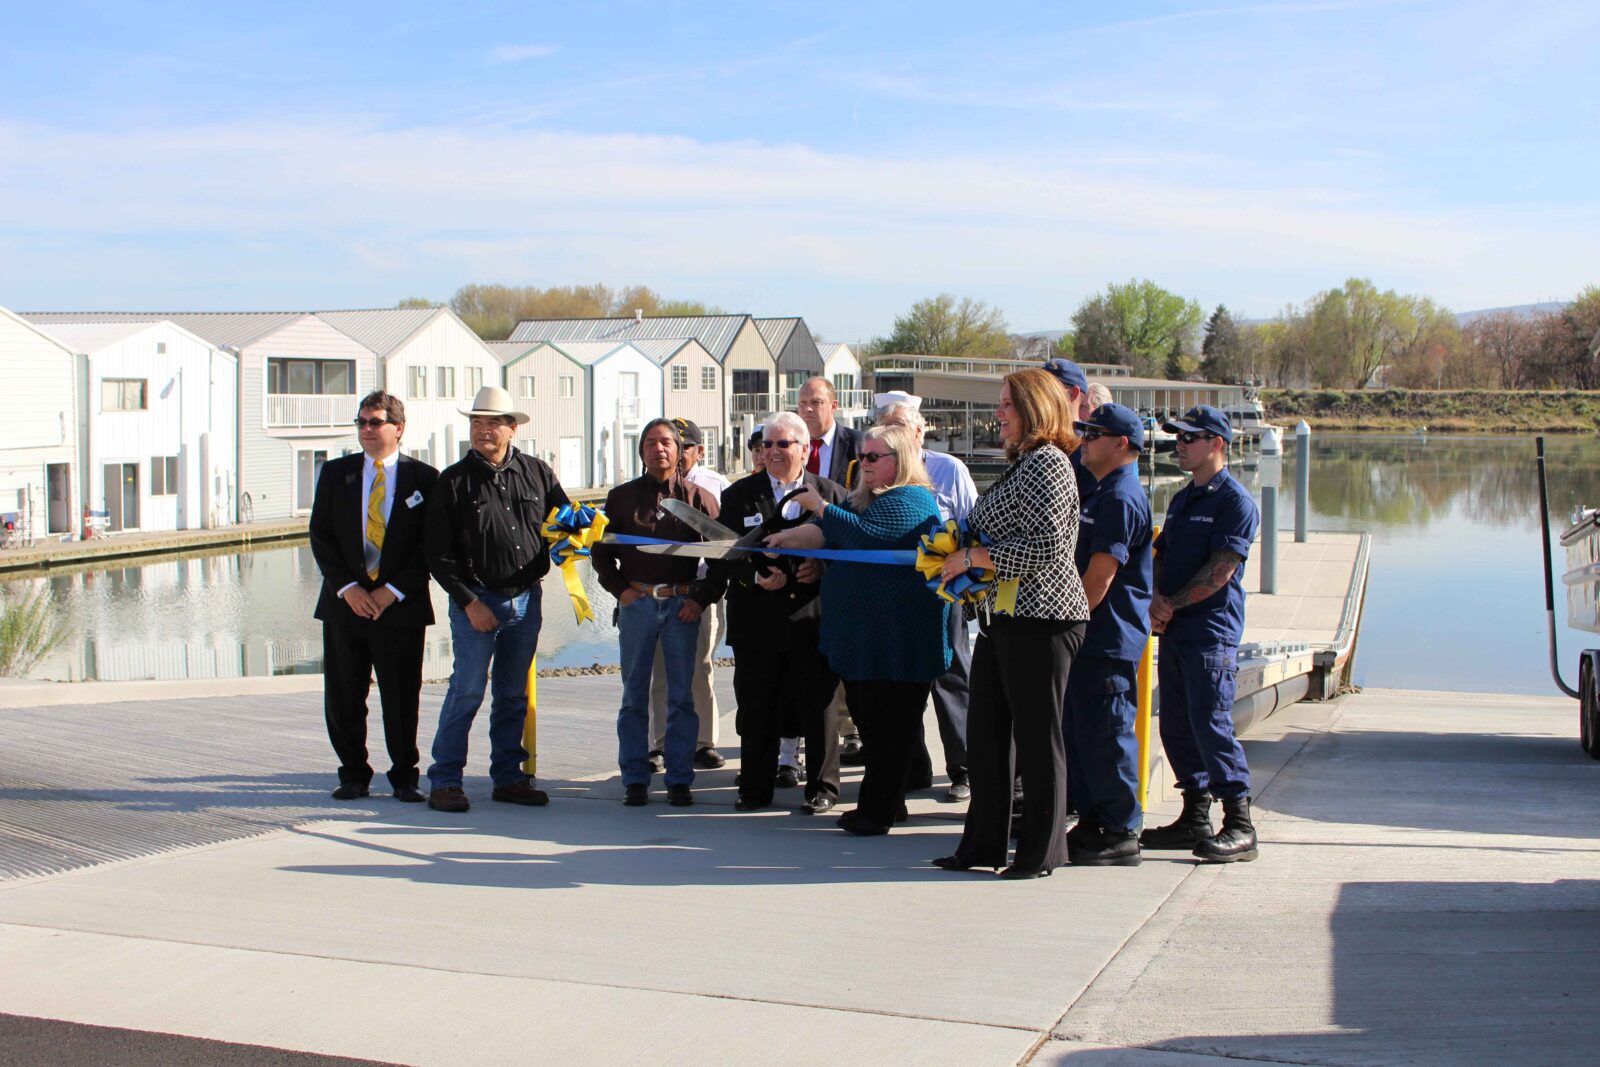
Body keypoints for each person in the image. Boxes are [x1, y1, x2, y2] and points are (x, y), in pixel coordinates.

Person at [933, 369, 1089, 879]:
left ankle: (1041, 854)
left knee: (1039, 742)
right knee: (987, 737)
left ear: (1034, 409)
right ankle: (980, 846)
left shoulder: (1048, 464)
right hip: (1005, 618)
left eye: (1006, 405)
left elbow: (1049, 548)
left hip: (1043, 619)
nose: (997, 414)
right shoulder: (1024, 464)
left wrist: (975, 557)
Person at [766, 425, 949, 836]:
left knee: (888, 728)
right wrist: (783, 538)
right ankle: (887, 803)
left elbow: (865, 535)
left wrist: (821, 505)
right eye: (861, 457)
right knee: (875, 723)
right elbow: (831, 532)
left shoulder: (911, 499)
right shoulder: (865, 499)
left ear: (899, 460)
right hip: (868, 638)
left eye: (873, 458)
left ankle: (877, 811)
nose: (863, 464)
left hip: (897, 639)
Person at [424, 385, 570, 813]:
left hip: (527, 601)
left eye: (492, 422)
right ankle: (446, 780)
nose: (483, 430)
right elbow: (437, 553)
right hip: (477, 602)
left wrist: (581, 527)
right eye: (476, 422)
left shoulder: (539, 473)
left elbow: (566, 523)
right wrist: (469, 602)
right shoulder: (452, 481)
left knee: (511, 696)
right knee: (467, 690)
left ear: (512, 427)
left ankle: (509, 777)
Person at [1142, 406, 1262, 862]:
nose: (1180, 446)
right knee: (1175, 722)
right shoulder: (1183, 497)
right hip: (1174, 629)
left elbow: (1222, 569)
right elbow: (1161, 553)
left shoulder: (1235, 503)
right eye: (1178, 438)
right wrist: (1154, 596)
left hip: (1210, 632)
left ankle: (1240, 822)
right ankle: (1195, 815)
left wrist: (1169, 605)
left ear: (1217, 443)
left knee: (1211, 722)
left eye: (1190, 438)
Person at [716, 412, 849, 814]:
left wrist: (822, 569)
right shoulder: (739, 495)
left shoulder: (832, 495)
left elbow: (850, 553)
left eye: (783, 444)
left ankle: (822, 789)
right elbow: (724, 554)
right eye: (767, 444)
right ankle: (755, 788)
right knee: (757, 706)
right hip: (758, 623)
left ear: (805, 450)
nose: (772, 451)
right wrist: (755, 577)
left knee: (820, 707)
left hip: (814, 620)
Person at [309, 391, 439, 803]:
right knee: (344, 696)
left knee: (401, 697)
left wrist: (391, 591)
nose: (366, 429)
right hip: (345, 606)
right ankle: (353, 774)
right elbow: (321, 537)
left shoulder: (425, 479)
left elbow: (430, 546)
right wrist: (348, 589)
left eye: (375, 422)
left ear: (398, 428)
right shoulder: (336, 474)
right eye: (361, 422)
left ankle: (405, 776)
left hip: (400, 608)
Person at [591, 419, 726, 807]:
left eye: (666, 442)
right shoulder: (620, 498)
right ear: (642, 451)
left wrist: (699, 600)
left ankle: (680, 778)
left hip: (683, 607)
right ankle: (635, 777)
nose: (659, 449)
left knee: (682, 697)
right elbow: (600, 553)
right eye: (650, 443)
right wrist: (621, 592)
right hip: (638, 606)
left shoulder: (698, 500)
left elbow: (723, 559)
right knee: (634, 696)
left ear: (680, 448)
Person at [877, 398, 979, 802]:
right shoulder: (874, 469)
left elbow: (972, 522)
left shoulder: (948, 469)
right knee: (900, 680)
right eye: (886, 426)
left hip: (941, 591)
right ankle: (912, 768)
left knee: (952, 677)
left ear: (919, 431)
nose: (894, 433)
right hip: (893, 594)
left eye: (900, 425)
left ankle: (965, 768)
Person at [1065, 403, 1152, 866]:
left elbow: (1099, 579)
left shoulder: (1120, 497)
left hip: (1106, 637)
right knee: (1082, 733)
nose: (1084, 439)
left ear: (1121, 444)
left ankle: (1121, 830)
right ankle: (1095, 822)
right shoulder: (1099, 491)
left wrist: (1065, 622)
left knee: (1108, 733)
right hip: (1091, 636)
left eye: (1092, 433)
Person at [645, 418, 728, 772]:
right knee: (660, 674)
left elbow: (725, 547)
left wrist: (705, 596)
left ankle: (703, 742)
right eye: (657, 443)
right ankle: (660, 744)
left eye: (684, 446)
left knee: (700, 669)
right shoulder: (638, 491)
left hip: (701, 592)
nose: (677, 452)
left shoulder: (713, 488)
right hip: (655, 596)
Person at [796, 376, 866, 765]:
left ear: (833, 405)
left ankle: (852, 729)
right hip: (802, 568)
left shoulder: (858, 448)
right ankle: (816, 733)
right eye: (802, 402)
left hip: (845, 564)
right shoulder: (789, 442)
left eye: (816, 402)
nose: (808, 409)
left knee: (845, 651)